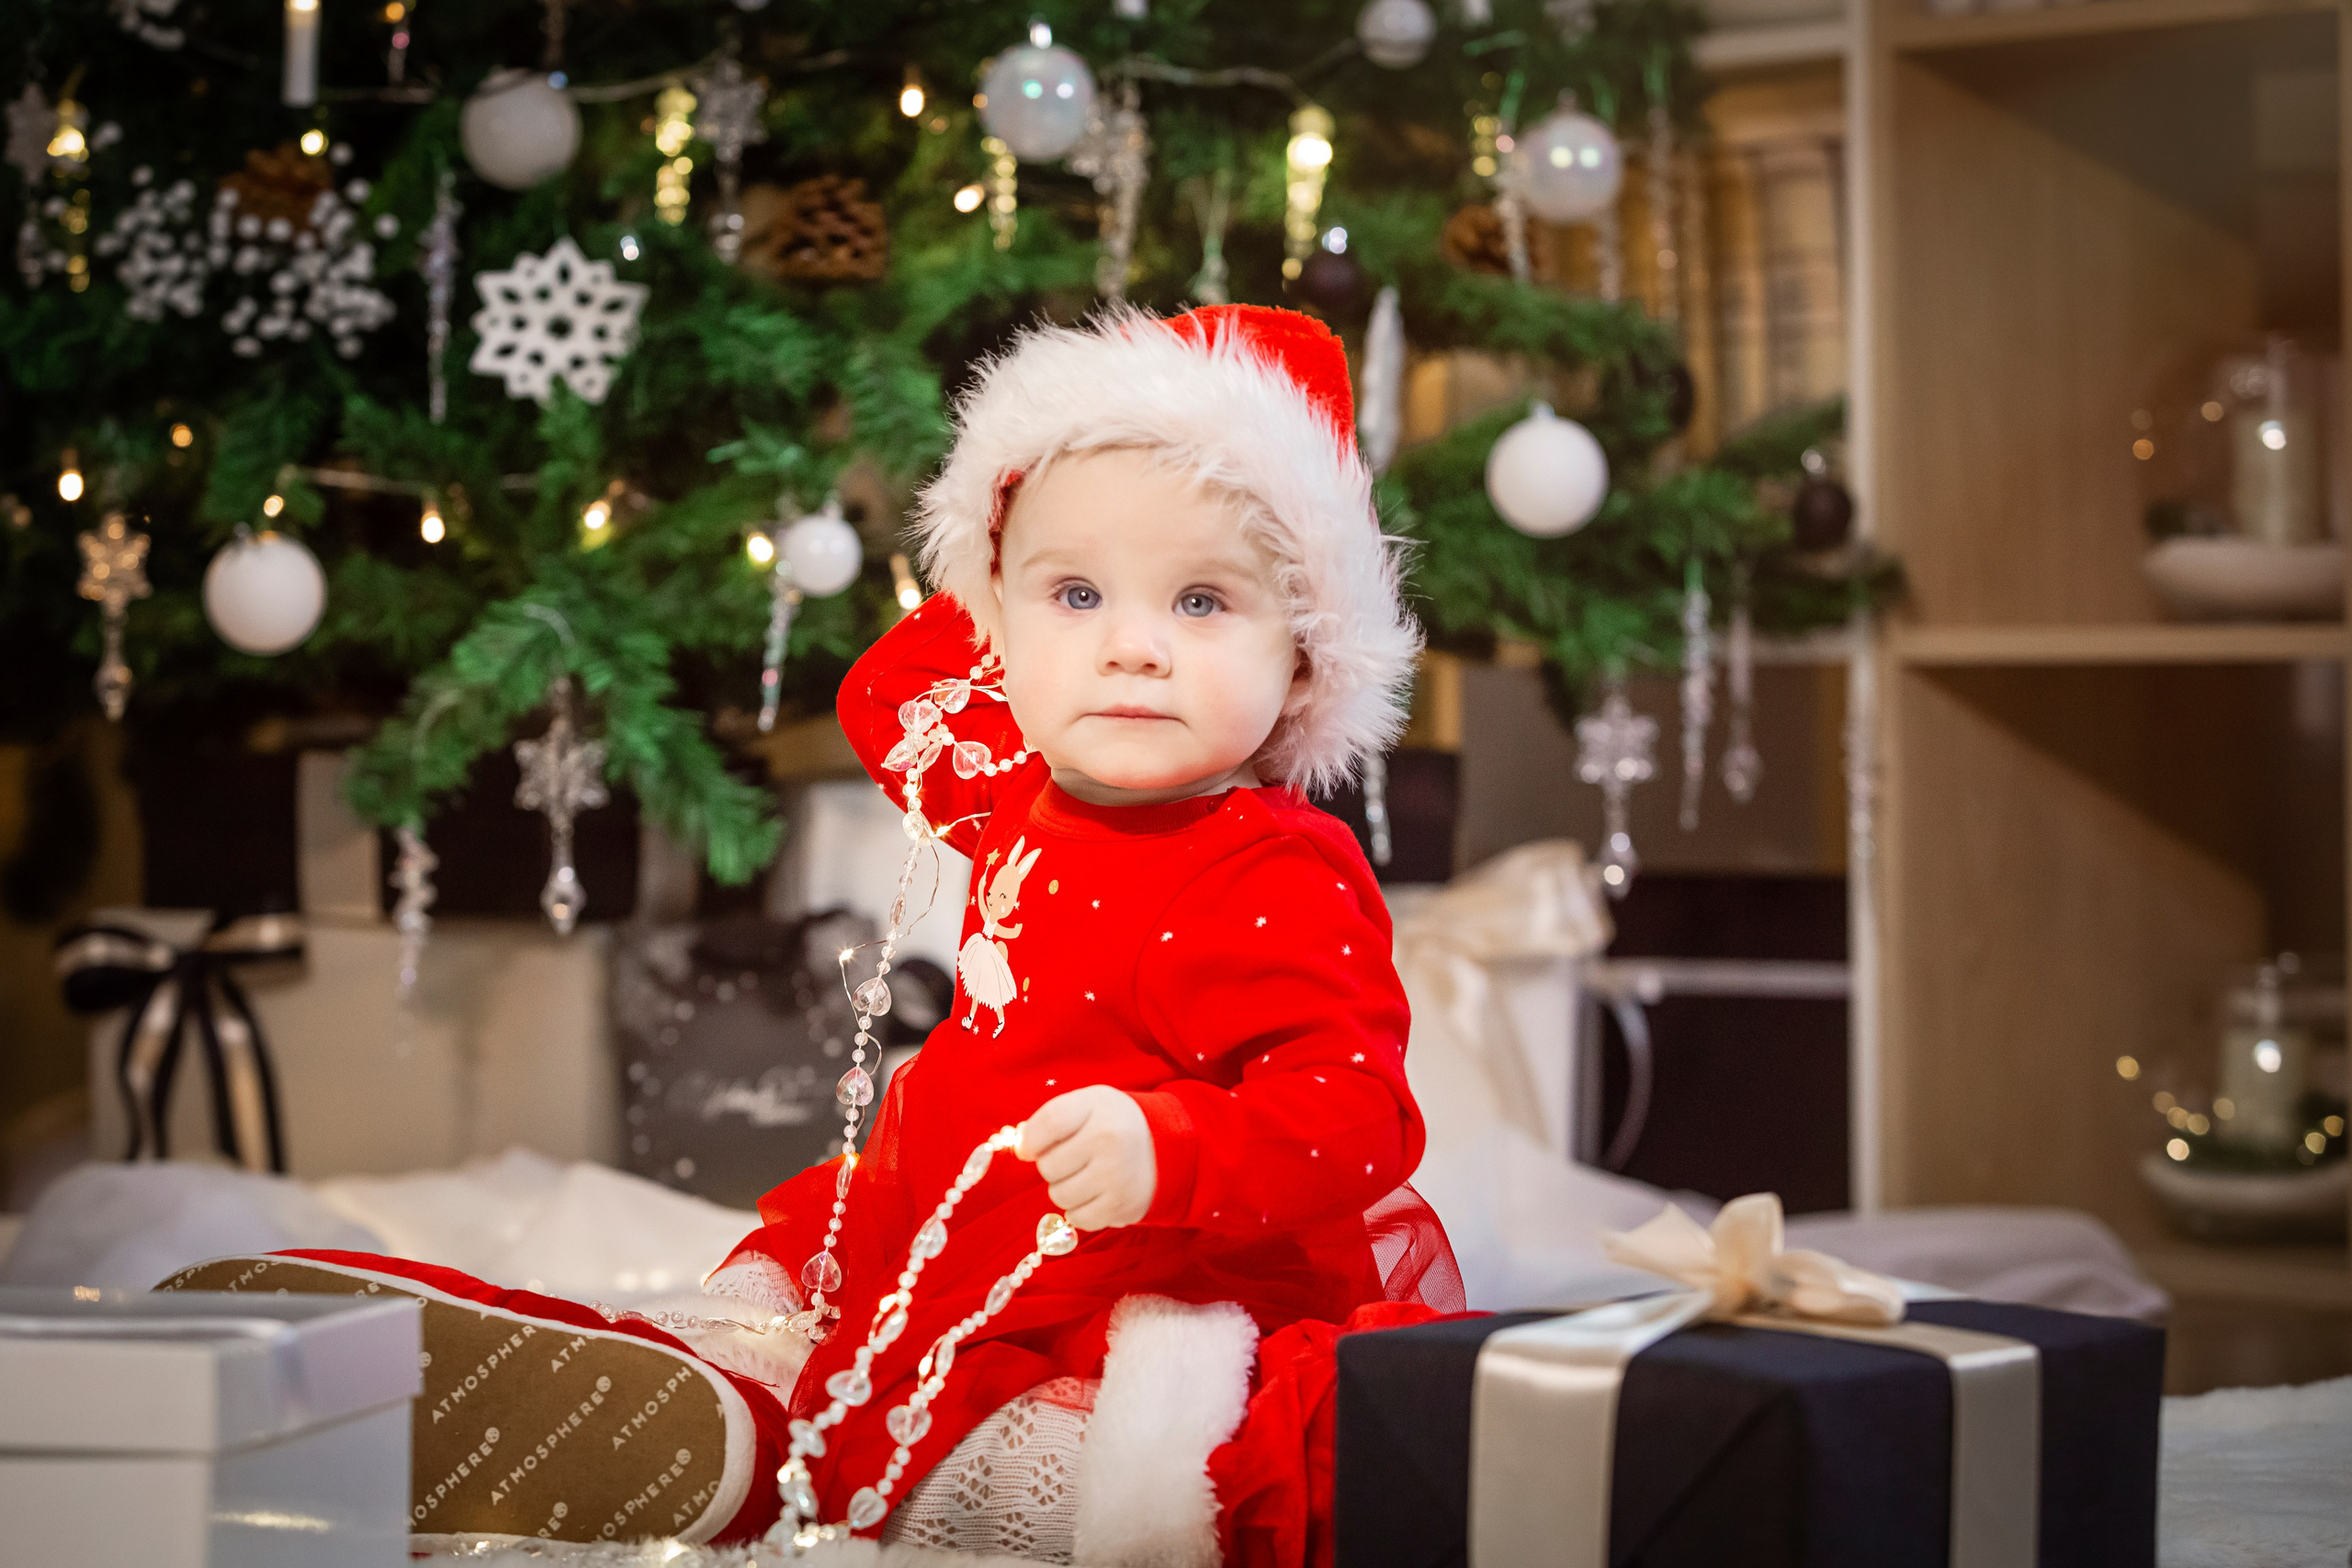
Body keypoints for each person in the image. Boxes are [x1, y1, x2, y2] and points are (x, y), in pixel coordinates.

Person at [164, 304, 1459, 1566]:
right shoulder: (1018, 784)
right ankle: (666, 1404)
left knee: (1054, 1460)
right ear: (998, 624)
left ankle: (776, 1463)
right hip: (943, 1221)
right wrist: (1000, 565)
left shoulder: (1269, 866)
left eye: (1201, 605)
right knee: (790, 1317)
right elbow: (881, 692)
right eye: (1076, 595)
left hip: (1128, 1265)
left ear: (1306, 658)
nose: (1130, 649)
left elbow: (1354, 1114)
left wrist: (1170, 1146)